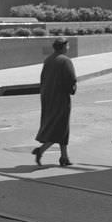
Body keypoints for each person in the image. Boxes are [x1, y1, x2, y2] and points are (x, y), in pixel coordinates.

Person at [33, 37, 78, 168]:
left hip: (48, 97)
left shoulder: (48, 59)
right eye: (67, 46)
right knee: (60, 127)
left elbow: (42, 79)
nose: (68, 48)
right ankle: (41, 150)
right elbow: (71, 79)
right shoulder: (65, 60)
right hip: (61, 98)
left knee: (61, 126)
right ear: (63, 47)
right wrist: (72, 89)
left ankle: (64, 156)